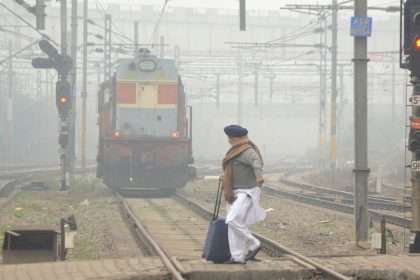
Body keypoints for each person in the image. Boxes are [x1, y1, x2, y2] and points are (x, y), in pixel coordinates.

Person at [222, 124, 266, 264]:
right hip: (234, 192)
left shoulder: (247, 150)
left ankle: (254, 243)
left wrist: (259, 177)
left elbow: (256, 162)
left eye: (230, 138)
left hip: (246, 192)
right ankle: (237, 257)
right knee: (234, 225)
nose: (228, 140)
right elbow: (234, 169)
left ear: (236, 138)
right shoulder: (235, 151)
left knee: (232, 219)